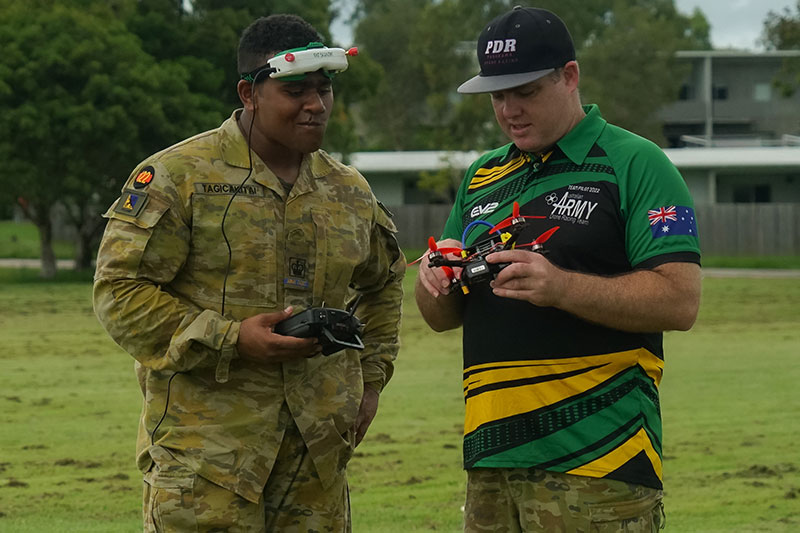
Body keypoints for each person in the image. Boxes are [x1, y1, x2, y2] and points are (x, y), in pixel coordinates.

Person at [93, 13, 405, 532]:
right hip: (207, 460)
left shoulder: (348, 190)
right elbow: (119, 292)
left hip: (316, 464)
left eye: (324, 89)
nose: (315, 104)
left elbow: (386, 280)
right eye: (295, 91)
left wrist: (370, 381)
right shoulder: (180, 177)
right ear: (249, 93)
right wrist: (232, 338)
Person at [416, 6, 701, 532]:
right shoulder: (482, 175)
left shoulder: (637, 163)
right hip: (491, 462)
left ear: (569, 77)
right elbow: (440, 318)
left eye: (525, 92)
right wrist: (435, 279)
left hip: (599, 462)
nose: (509, 110)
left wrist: (561, 287)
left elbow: (680, 301)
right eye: (497, 96)